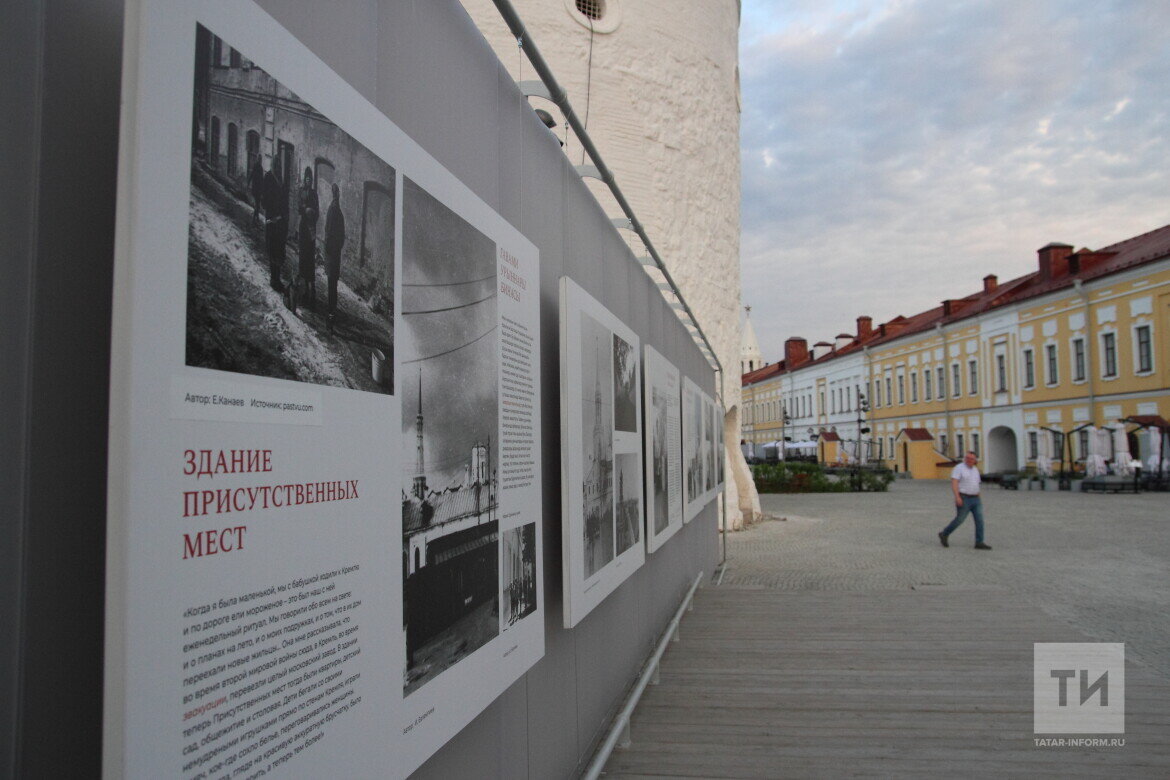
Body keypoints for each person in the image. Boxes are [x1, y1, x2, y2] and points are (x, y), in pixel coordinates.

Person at [939, 451, 991, 550]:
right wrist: (957, 497)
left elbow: (976, 484)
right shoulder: (959, 468)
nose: (969, 460)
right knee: (960, 519)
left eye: (971, 459)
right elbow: (954, 482)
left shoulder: (975, 470)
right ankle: (944, 533)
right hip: (964, 497)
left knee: (979, 520)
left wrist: (979, 497)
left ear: (975, 460)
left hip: (975, 498)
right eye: (967, 458)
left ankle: (979, 542)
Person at [262, 157, 287, 292]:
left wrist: (283, 216)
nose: (277, 167)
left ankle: (277, 278)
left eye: (279, 165)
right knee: (272, 249)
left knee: (278, 250)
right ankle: (273, 279)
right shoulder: (268, 178)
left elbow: (283, 201)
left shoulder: (280, 180)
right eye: (276, 164)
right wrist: (272, 215)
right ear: (273, 165)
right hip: (272, 221)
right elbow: (264, 201)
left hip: (280, 222)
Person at [295, 167, 319, 312]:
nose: (308, 181)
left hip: (311, 230)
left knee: (310, 260)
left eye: (310, 179)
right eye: (307, 179)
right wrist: (305, 210)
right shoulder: (301, 191)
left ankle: (311, 292)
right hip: (303, 228)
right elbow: (298, 207)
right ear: (305, 179)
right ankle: (303, 291)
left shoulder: (314, 194)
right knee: (303, 258)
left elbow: (318, 212)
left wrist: (313, 213)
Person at [323, 182, 345, 333]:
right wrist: (333, 250)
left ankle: (331, 316)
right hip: (333, 254)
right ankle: (331, 316)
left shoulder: (335, 210)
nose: (337, 197)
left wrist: (331, 249)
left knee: (332, 285)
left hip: (333, 254)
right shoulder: (335, 210)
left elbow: (333, 233)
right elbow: (332, 233)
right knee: (332, 285)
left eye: (337, 194)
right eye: (336, 194)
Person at [247, 154, 264, 228]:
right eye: (259, 159)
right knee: (257, 204)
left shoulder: (259, 167)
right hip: (256, 188)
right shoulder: (257, 167)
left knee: (257, 204)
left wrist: (248, 183)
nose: (260, 160)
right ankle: (255, 219)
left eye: (260, 159)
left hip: (257, 188)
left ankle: (256, 218)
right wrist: (248, 183)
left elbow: (260, 179)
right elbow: (252, 175)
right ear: (258, 159)